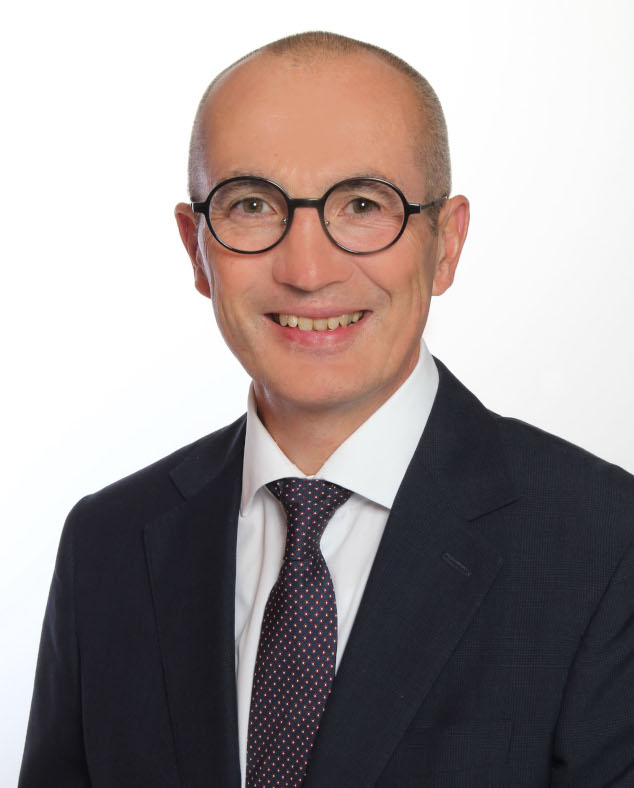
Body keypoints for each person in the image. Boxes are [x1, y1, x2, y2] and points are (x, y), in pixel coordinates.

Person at [18, 30, 634, 788]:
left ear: (446, 244)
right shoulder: (107, 546)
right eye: (251, 205)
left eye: (363, 204)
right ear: (196, 248)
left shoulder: (606, 547)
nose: (308, 271)